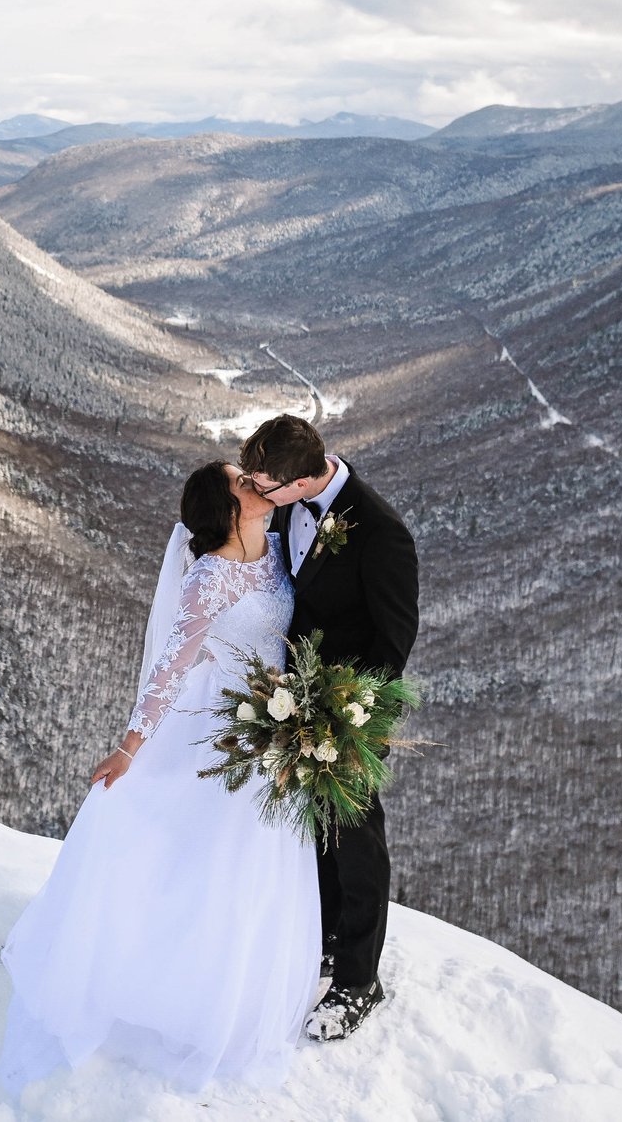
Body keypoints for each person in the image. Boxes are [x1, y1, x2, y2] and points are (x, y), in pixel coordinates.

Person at [0, 462, 324, 1093]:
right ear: (224, 506)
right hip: (220, 723)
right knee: (207, 860)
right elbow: (170, 669)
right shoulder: (206, 578)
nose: (256, 484)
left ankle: (244, 986)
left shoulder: (280, 545)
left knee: (260, 862)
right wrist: (129, 747)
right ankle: (176, 990)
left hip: (273, 720)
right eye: (241, 482)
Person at [237, 413, 419, 1041]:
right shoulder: (290, 507)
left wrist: (347, 711)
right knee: (316, 835)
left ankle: (359, 980)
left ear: (299, 480)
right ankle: (328, 939)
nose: (259, 496)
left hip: (351, 712)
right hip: (295, 701)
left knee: (357, 841)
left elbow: (395, 639)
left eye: (266, 487)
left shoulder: (382, 531)